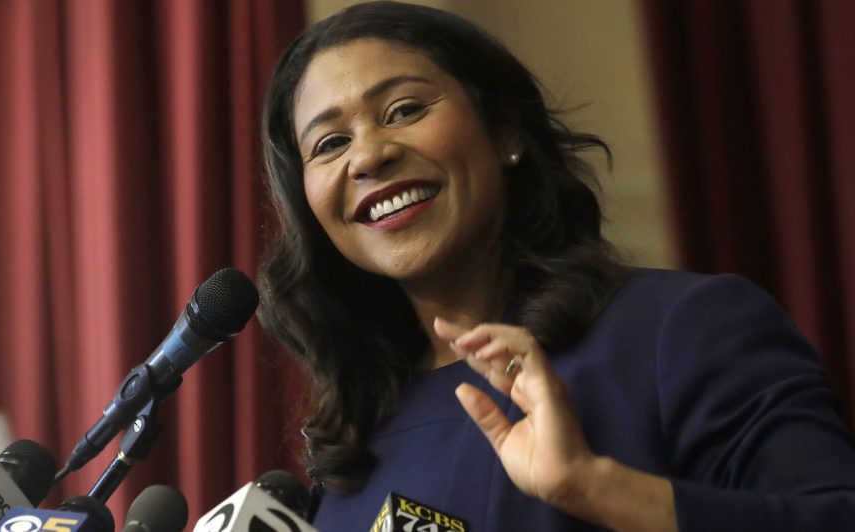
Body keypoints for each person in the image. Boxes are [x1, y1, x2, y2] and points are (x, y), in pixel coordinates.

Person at [256, 2, 855, 530]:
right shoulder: (352, 449)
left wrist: (596, 490)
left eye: (405, 108)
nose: (369, 155)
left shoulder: (682, 328)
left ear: (506, 129)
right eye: (329, 144)